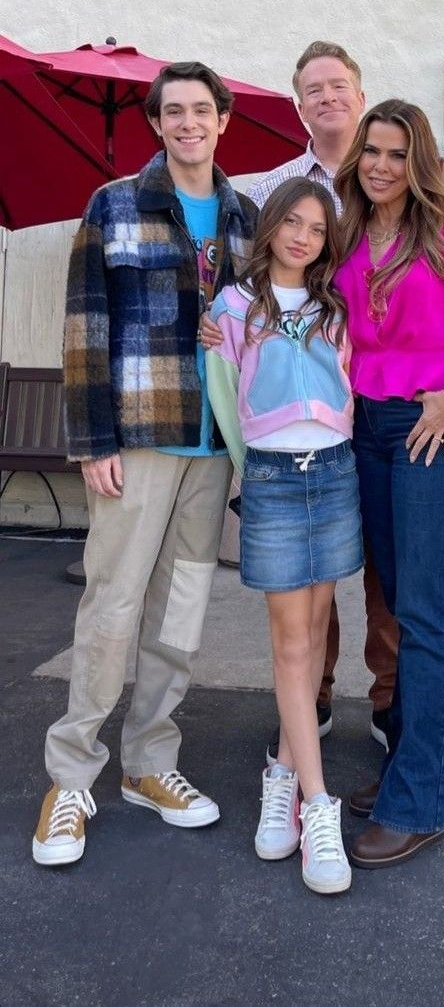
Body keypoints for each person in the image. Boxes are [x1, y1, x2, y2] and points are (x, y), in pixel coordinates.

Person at [32, 62, 258, 867]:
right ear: (157, 124)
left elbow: (257, 333)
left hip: (212, 450)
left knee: (181, 615)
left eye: (203, 110)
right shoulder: (114, 204)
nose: (190, 123)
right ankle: (71, 775)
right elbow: (84, 326)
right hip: (137, 441)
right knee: (113, 606)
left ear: (222, 120)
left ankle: (150, 764)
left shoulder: (245, 217)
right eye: (174, 112)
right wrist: (91, 440)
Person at [333, 99, 444, 869]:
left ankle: (421, 798)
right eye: (373, 150)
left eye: (398, 153)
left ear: (419, 160)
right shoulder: (344, 231)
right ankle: (404, 762)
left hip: (431, 419)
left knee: (424, 607)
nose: (382, 165)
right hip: (364, 425)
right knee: (394, 598)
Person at [206, 177, 363, 894]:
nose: (303, 237)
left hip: (334, 474)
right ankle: (317, 805)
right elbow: (223, 396)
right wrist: (254, 473)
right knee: (291, 641)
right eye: (291, 223)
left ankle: (282, 771)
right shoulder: (233, 308)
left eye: (317, 229)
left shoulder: (335, 306)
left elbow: (349, 384)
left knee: (319, 626)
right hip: (272, 478)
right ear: (269, 226)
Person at [247, 41, 399, 755]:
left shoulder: (388, 175)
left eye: (339, 84)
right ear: (299, 102)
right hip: (310, 401)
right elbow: (250, 292)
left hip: (384, 389)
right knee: (314, 558)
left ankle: (390, 693)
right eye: (314, 88)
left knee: (384, 552)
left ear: (359, 93)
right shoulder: (275, 185)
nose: (328, 97)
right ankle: (314, 690)